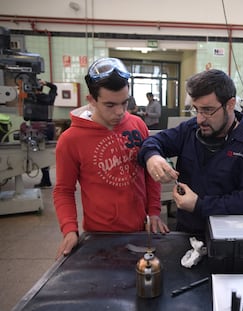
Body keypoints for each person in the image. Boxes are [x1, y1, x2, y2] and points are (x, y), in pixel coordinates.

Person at [53, 57, 169, 258]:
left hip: (140, 229)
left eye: (124, 103)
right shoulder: (71, 139)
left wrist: (154, 211)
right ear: (92, 100)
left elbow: (149, 173)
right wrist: (69, 229)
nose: (120, 112)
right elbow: (63, 190)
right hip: (100, 235)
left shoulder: (137, 125)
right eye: (110, 105)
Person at [138, 69, 243, 234]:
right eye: (196, 109)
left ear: (230, 105)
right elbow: (154, 141)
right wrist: (153, 157)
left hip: (227, 237)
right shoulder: (190, 129)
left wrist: (199, 205)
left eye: (208, 110)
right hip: (187, 233)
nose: (200, 119)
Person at [34, 79, 57, 188]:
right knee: (46, 153)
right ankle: (46, 179)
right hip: (49, 127)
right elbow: (54, 88)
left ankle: (46, 179)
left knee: (40, 154)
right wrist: (46, 83)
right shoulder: (49, 98)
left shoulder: (32, 98)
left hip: (37, 127)